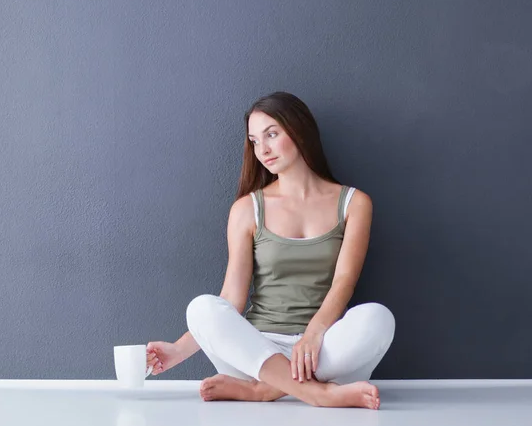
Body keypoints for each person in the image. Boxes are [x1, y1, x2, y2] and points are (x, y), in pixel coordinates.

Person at [146, 91, 395, 408]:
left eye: (272, 134)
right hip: (256, 352)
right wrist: (177, 350)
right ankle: (317, 393)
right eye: (254, 140)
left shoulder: (354, 203)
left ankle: (263, 391)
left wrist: (315, 333)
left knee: (378, 318)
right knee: (202, 308)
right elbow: (230, 301)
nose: (262, 149)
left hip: (322, 349)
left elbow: (344, 282)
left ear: (299, 130)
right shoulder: (247, 209)